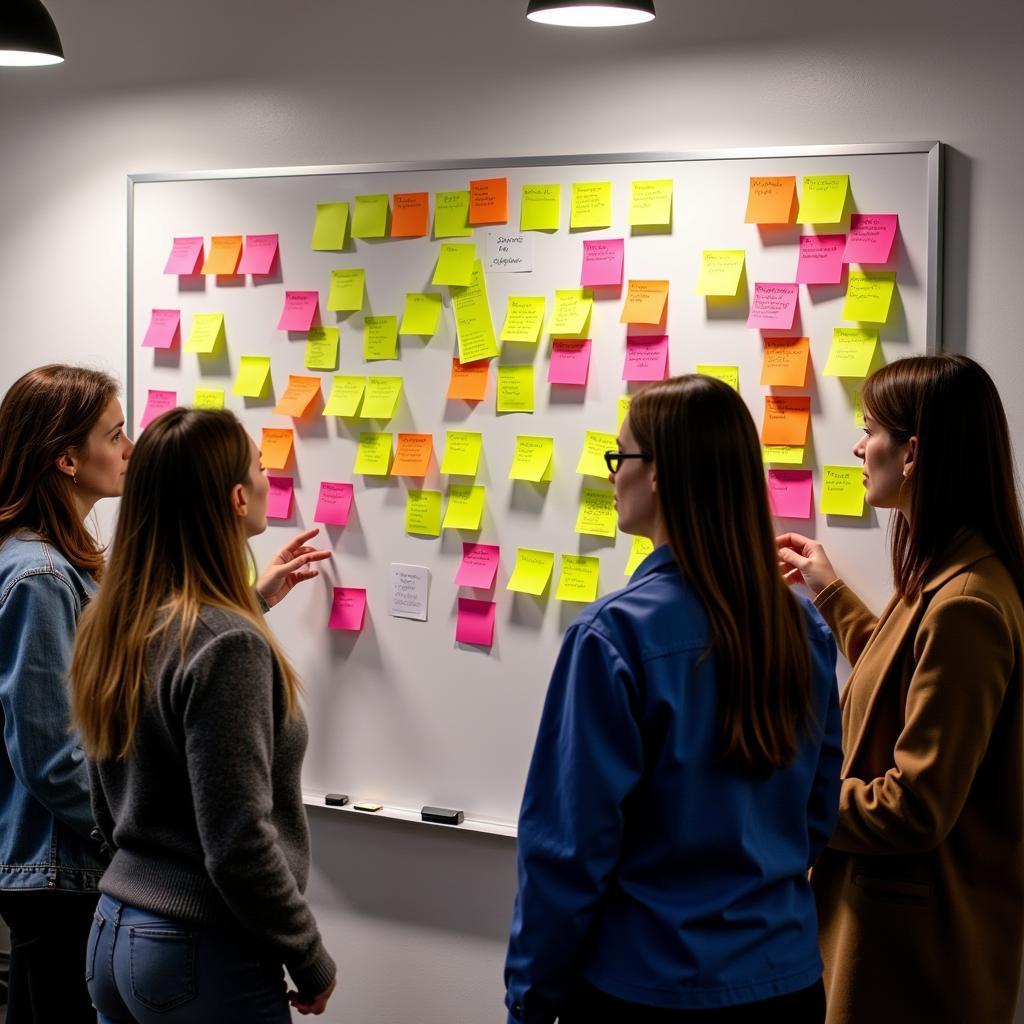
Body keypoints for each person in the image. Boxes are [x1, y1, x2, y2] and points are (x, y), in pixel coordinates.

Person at [505, 374, 843, 1024]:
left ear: (659, 475)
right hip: (785, 982)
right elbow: (816, 817)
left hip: (647, 988)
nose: (611, 474)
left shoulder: (613, 637)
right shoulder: (804, 630)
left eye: (620, 455)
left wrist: (530, 1001)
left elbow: (567, 854)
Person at [777, 354, 1024, 1024]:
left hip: (912, 961)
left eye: (870, 429)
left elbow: (916, 806)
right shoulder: (950, 579)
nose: (858, 446)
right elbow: (904, 677)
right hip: (897, 945)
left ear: (912, 453)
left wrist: (789, 797)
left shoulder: (965, 602)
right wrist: (831, 595)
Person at [69, 406, 336, 1023]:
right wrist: (309, 956)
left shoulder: (114, 623)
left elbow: (106, 806)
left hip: (115, 932)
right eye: (261, 466)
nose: (271, 476)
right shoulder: (227, 643)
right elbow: (238, 841)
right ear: (238, 498)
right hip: (196, 948)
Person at [0, 365, 130, 1023]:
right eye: (115, 434)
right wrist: (135, 831)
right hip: (59, 870)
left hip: (61, 867)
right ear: (66, 458)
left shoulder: (61, 562)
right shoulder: (41, 576)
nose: (129, 449)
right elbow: (51, 754)